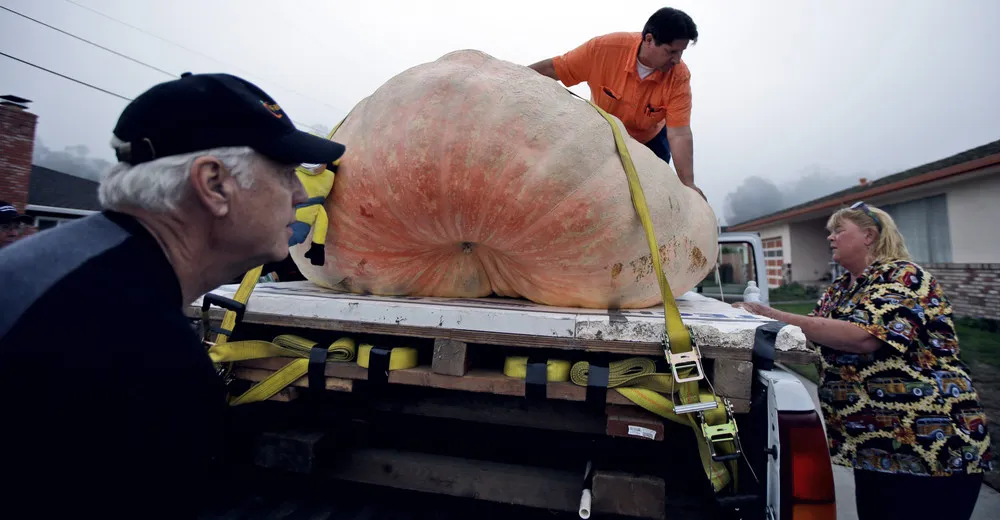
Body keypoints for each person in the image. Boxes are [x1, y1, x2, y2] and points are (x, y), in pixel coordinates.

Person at [0, 72, 346, 517]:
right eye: (284, 172)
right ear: (215, 184)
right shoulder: (137, 348)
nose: (299, 193)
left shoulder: (83, 273)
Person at [734, 202, 992, 520]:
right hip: (874, 450)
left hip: (931, 451)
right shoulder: (842, 289)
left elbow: (864, 336)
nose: (830, 238)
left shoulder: (904, 277)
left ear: (869, 236)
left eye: (838, 231)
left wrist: (773, 315)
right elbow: (810, 335)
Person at [528, 7, 702, 196]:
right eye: (671, 51)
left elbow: (679, 133)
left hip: (650, 140)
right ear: (649, 40)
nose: (677, 60)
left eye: (681, 52)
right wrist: (508, 76)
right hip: (603, 133)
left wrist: (688, 184)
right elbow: (555, 69)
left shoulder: (679, 77)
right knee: (593, 191)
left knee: (653, 196)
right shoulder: (603, 50)